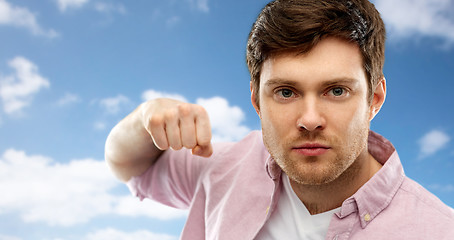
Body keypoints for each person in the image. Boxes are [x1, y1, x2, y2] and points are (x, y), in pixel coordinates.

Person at [105, 0, 454, 239]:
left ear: (374, 99)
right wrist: (144, 116)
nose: (310, 119)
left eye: (336, 91)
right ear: (257, 100)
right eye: (286, 92)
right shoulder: (223, 168)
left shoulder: (438, 230)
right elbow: (127, 165)